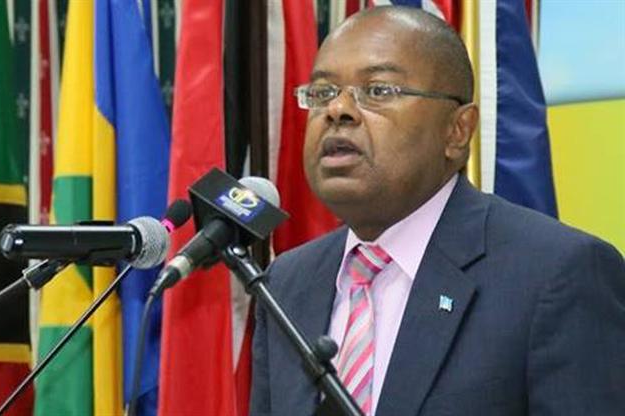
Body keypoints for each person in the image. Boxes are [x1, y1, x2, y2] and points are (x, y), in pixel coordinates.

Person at [250, 6, 625, 416]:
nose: (337, 110)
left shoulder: (557, 273)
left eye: (379, 90)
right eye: (322, 92)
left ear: (457, 130)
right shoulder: (287, 282)